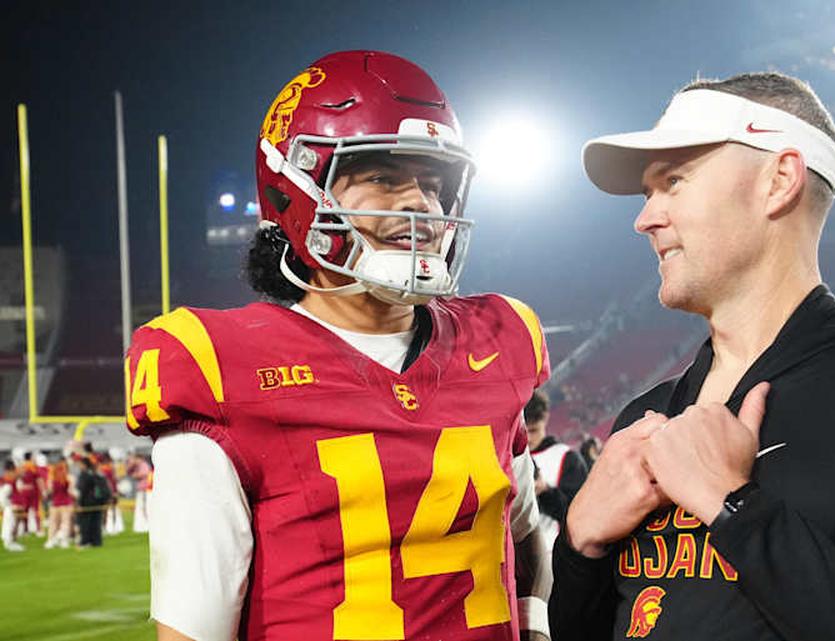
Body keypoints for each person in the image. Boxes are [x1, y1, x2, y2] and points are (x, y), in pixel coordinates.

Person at [550, 72, 835, 640]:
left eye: (673, 180)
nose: (644, 218)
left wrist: (735, 509)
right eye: (649, 193)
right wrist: (580, 545)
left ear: (778, 180)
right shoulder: (644, 416)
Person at [125, 50, 552, 641]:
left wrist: (534, 627)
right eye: (382, 177)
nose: (420, 206)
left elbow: (524, 533)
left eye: (433, 184)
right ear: (296, 191)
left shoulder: (499, 338)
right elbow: (194, 627)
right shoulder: (223, 367)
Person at [525, 390, 589, 548]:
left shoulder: (566, 458)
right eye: (523, 431)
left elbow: (581, 515)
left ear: (545, 420)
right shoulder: (507, 458)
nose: (528, 438)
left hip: (552, 556)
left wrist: (545, 492)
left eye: (533, 430)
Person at [75, 456, 106, 548]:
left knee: (86, 523)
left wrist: (79, 503)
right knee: (96, 522)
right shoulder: (95, 474)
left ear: (84, 465)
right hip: (97, 501)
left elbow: (83, 491)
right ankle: (96, 541)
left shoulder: (84, 475)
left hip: (87, 503)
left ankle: (85, 541)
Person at [44, 457, 75, 549]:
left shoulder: (52, 478)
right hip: (66, 503)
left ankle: (51, 541)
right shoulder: (69, 478)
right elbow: (71, 491)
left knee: (53, 524)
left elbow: (49, 491)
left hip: (55, 504)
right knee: (65, 523)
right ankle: (64, 541)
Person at [126, 452, 153, 532]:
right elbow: (128, 471)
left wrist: (136, 475)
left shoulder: (144, 465)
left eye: (136, 459)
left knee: (144, 507)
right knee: (140, 507)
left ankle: (146, 525)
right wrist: (131, 464)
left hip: (145, 488)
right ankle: (142, 525)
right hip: (141, 489)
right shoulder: (137, 466)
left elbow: (145, 473)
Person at [1, 460, 24, 552]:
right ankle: (9, 542)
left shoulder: (6, 477)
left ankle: (11, 541)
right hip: (12, 502)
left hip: (11, 502)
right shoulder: (10, 476)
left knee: (11, 522)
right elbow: (6, 491)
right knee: (11, 523)